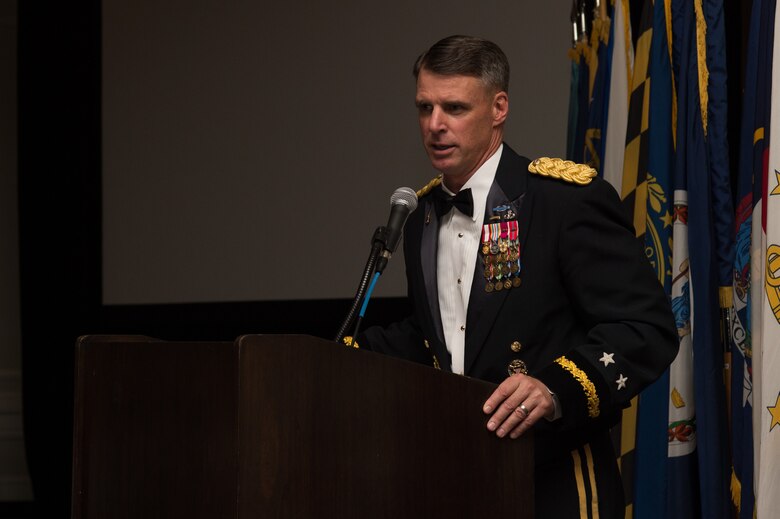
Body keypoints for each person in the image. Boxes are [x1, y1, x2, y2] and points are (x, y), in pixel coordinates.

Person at [350, 34, 678, 518]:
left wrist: (552, 388)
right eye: (425, 108)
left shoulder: (562, 200)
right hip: (460, 477)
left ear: (498, 107)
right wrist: (336, 356)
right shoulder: (420, 217)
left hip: (556, 477)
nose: (435, 126)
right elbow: (441, 336)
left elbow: (645, 329)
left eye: (455, 108)